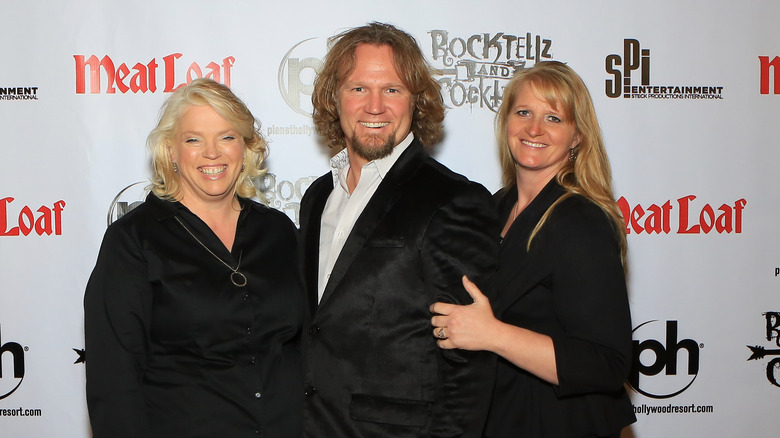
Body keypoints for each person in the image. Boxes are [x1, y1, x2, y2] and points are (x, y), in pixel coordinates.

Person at [298, 22, 500, 438]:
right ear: (334, 99)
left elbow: (469, 362)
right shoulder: (318, 197)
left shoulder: (453, 199)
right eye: (358, 88)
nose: (375, 106)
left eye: (392, 89)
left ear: (416, 101)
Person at [84, 78, 304, 438]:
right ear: (171, 151)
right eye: (193, 139)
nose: (212, 153)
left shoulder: (278, 232)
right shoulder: (134, 240)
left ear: (246, 147)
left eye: (227, 137)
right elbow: (113, 380)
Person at [430, 61, 637, 438]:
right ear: (506, 122)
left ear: (577, 136)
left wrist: (493, 334)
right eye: (523, 112)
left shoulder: (581, 220)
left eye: (554, 118)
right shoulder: (494, 208)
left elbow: (607, 363)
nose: (535, 129)